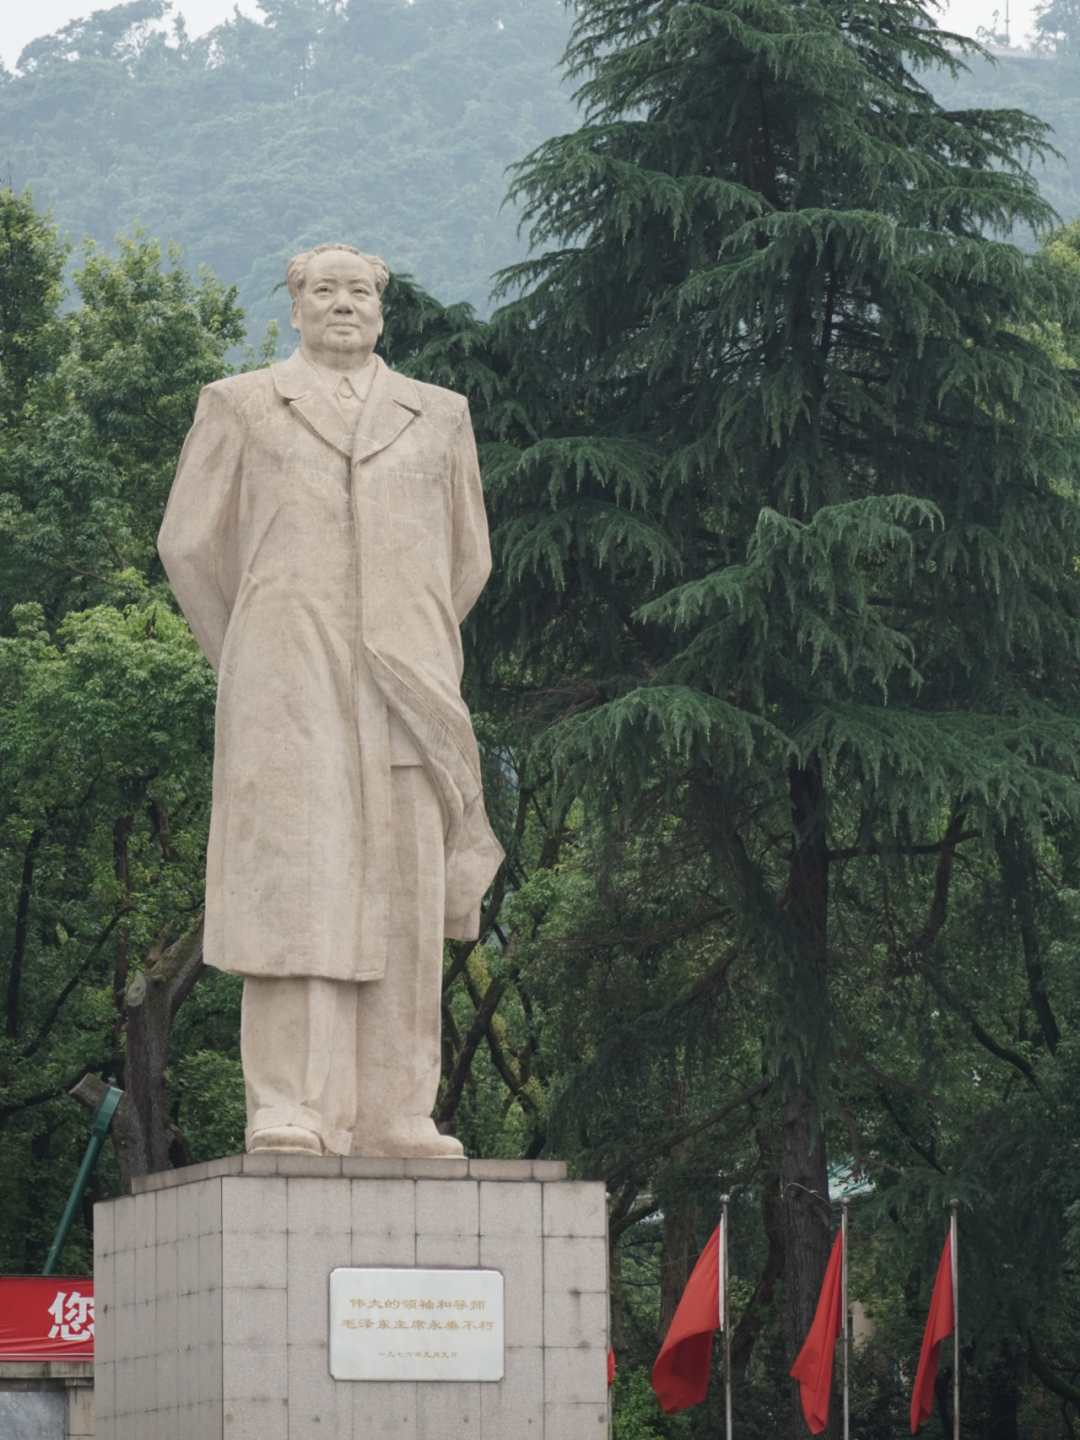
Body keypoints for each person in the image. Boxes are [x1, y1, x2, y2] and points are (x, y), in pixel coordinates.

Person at [158, 242, 503, 1157]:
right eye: (323, 290)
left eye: (357, 291)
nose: (342, 303)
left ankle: (399, 1111)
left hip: (408, 688)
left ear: (382, 310)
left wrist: (402, 627)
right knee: (298, 890)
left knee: (406, 897)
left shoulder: (439, 415)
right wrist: (251, 652)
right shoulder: (240, 404)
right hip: (289, 688)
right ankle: (292, 1105)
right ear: (295, 308)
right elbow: (187, 546)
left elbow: (468, 557)